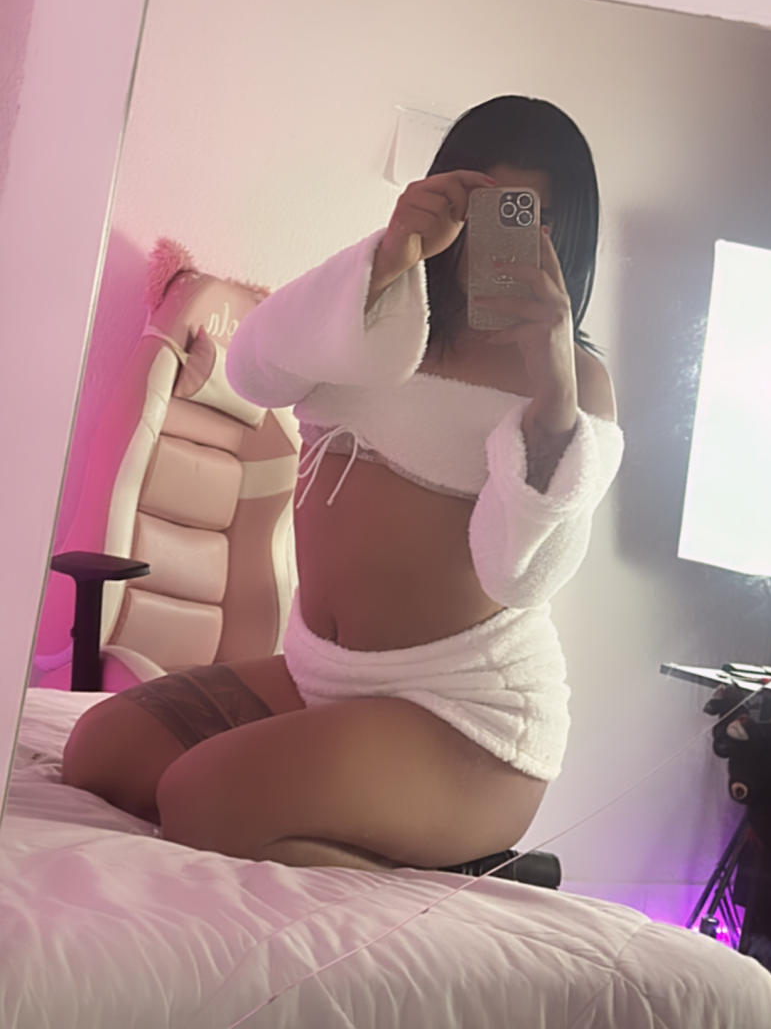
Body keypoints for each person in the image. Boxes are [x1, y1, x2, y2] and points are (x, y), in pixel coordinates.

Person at [63, 95, 623, 871]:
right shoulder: (379, 309)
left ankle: (454, 868)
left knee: (201, 799)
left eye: (533, 217)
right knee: (101, 750)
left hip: (464, 717)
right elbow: (253, 371)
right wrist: (390, 253)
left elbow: (520, 576)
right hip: (323, 678)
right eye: (482, 203)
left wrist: (552, 383)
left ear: (572, 233)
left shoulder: (574, 382)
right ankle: (350, 814)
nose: (505, 236)